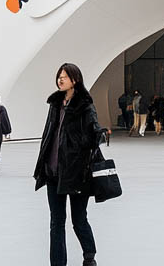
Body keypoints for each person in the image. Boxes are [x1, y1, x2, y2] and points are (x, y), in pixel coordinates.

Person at [33, 62, 102, 266]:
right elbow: (48, 134)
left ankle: (89, 255)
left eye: (64, 76)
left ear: (75, 79)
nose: (60, 80)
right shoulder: (55, 104)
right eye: (59, 76)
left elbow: (95, 135)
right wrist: (42, 164)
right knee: (56, 222)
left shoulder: (85, 105)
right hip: (53, 171)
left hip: (76, 173)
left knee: (78, 219)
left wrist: (80, 146)